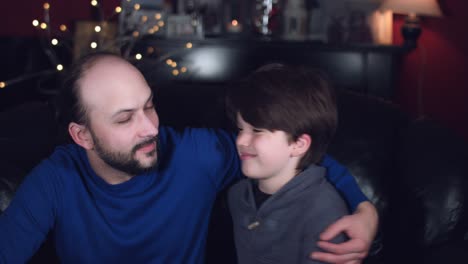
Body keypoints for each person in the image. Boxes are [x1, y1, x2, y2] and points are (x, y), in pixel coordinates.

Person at [0, 53, 377, 263]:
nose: (149, 127)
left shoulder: (197, 154)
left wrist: (364, 209)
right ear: (82, 135)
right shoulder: (57, 178)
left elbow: (293, 155)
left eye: (149, 106)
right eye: (125, 118)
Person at [226, 63, 348, 263]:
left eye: (257, 131)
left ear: (298, 144)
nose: (240, 141)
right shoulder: (238, 196)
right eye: (240, 129)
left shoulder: (323, 209)